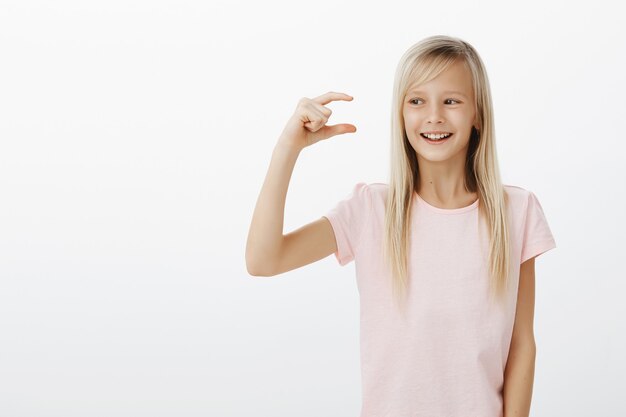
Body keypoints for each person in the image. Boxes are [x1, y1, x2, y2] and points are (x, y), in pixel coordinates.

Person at [245, 34, 556, 417]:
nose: (434, 115)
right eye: (417, 101)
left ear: (477, 114)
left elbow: (522, 345)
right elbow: (263, 260)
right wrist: (287, 148)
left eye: (452, 101)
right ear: (401, 114)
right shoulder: (371, 209)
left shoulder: (517, 211)